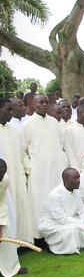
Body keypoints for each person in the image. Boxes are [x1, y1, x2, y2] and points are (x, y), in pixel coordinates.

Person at [20, 94, 65, 241]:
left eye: (46, 102)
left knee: (57, 199)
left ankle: (59, 231)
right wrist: (30, 168)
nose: (44, 105)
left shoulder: (54, 122)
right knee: (38, 201)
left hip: (56, 169)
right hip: (38, 171)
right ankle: (40, 236)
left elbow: (60, 144)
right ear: (33, 104)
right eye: (41, 102)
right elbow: (22, 151)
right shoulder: (28, 124)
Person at [39, 168, 84, 254]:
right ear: (66, 180)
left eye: (79, 177)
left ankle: (76, 244)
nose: (79, 181)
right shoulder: (54, 195)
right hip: (53, 224)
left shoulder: (76, 192)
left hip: (70, 220)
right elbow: (61, 218)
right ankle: (53, 247)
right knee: (72, 231)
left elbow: (82, 211)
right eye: (75, 178)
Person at [0, 99, 33, 244]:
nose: (11, 114)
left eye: (12, 110)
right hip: (3, 179)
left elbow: (21, 154)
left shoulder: (14, 131)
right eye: (8, 110)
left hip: (17, 175)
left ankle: (21, 241)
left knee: (19, 207)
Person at [0, 159, 28, 277]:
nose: (1, 178)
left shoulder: (5, 179)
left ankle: (12, 267)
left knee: (7, 230)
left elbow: (1, 202)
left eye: (2, 174)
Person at [64, 105, 84, 173]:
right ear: (79, 113)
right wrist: (76, 170)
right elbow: (70, 152)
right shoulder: (70, 130)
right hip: (79, 168)